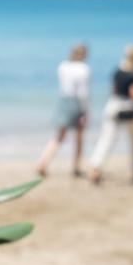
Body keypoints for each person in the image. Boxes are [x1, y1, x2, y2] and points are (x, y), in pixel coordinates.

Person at [88, 44, 133, 184]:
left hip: (112, 106)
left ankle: (95, 168)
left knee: (106, 139)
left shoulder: (117, 71)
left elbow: (114, 90)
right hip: (128, 109)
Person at [34, 43, 91, 178]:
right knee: (79, 137)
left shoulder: (63, 66)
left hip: (63, 101)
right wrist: (86, 111)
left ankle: (43, 162)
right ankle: (76, 167)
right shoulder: (84, 69)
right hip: (77, 102)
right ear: (84, 54)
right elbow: (83, 93)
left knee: (59, 136)